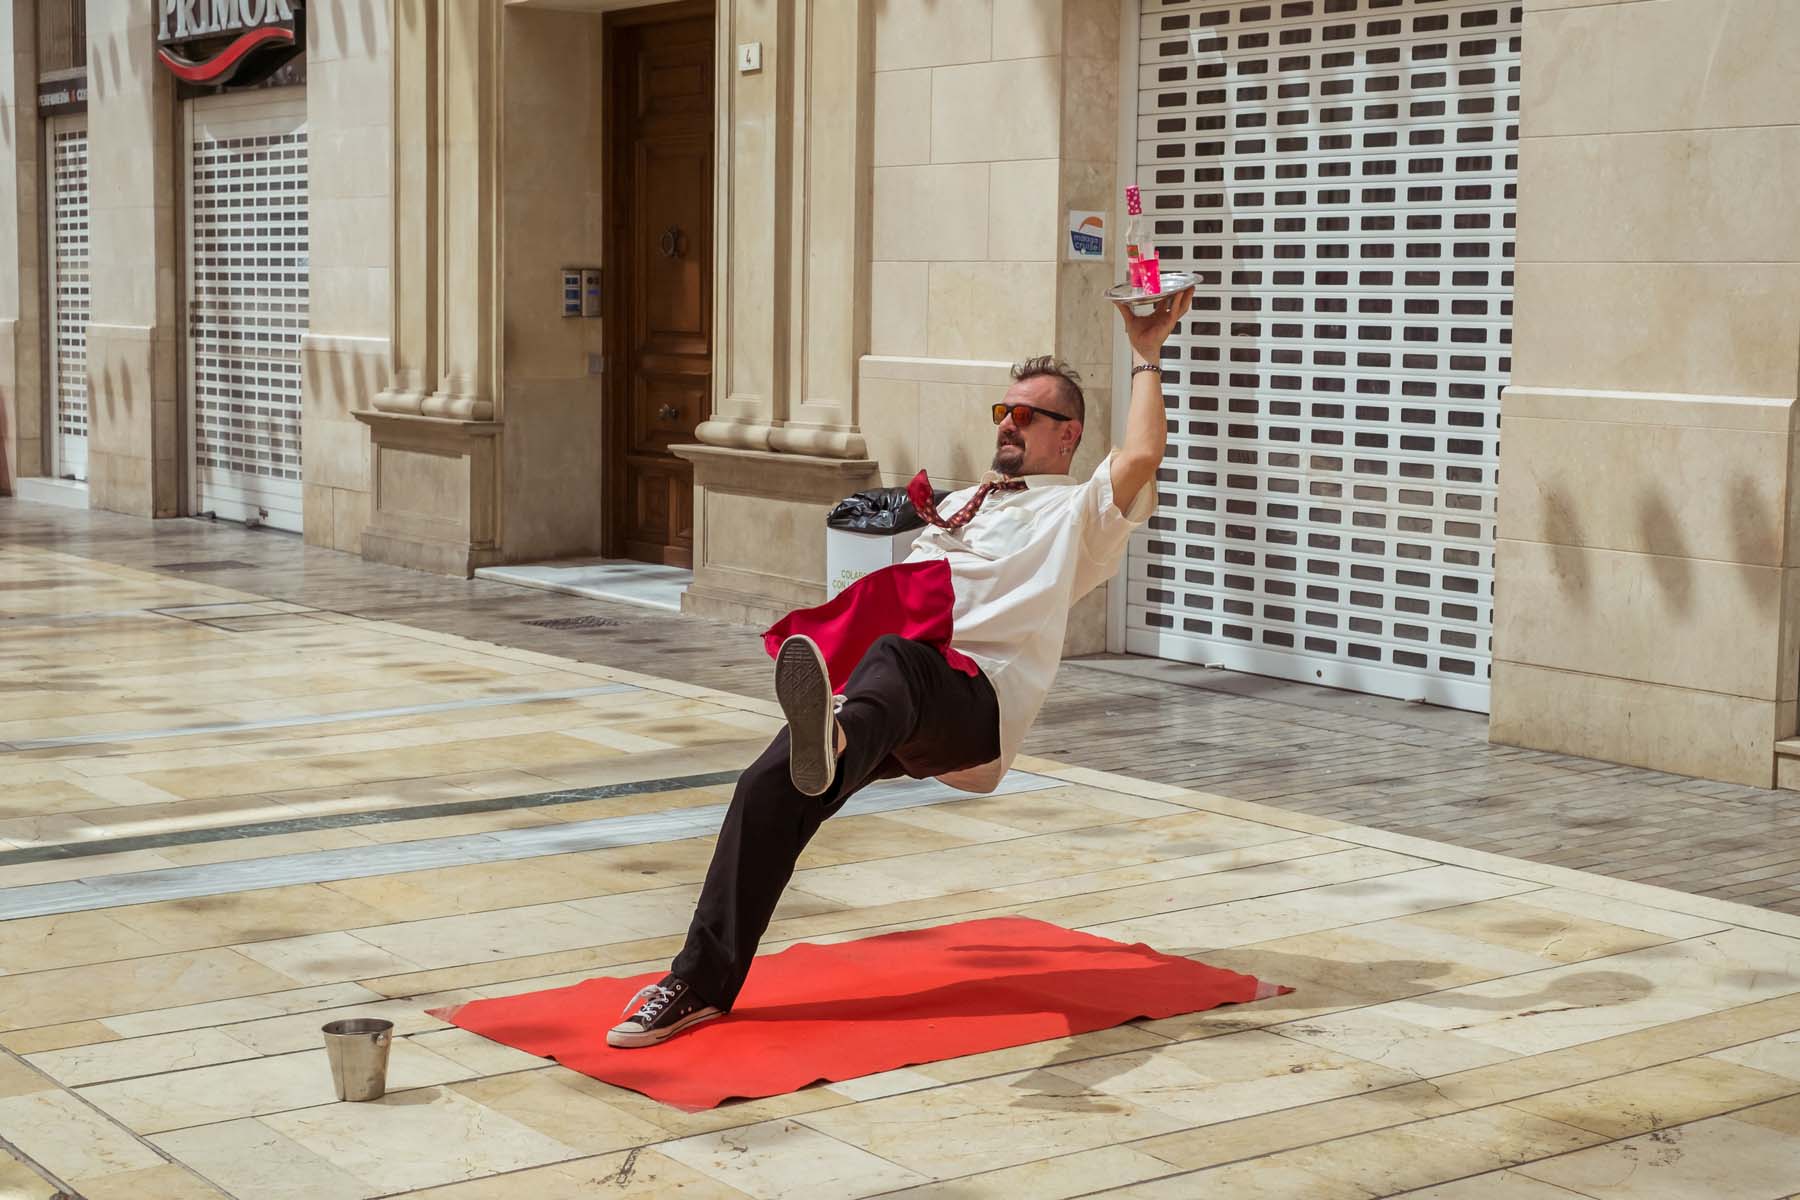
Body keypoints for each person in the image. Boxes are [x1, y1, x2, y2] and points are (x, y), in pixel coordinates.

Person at [607, 288, 1195, 1048]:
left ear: (1068, 434)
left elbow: (1143, 454)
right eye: (1002, 412)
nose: (1008, 424)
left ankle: (842, 744)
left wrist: (1146, 350)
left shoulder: (1076, 517)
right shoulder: (971, 505)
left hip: (971, 706)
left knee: (897, 663)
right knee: (765, 789)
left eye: (1026, 415)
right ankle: (699, 982)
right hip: (891, 699)